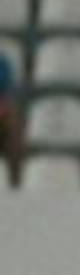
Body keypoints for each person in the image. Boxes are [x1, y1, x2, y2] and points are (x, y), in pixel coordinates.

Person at [0, 52, 24, 188]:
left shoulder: (3, 63)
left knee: (13, 127)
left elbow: (8, 93)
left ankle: (15, 183)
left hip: (3, 113)